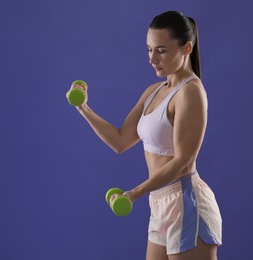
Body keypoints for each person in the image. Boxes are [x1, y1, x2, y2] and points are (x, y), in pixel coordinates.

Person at [69, 10, 222, 260]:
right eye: (149, 49)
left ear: (186, 49)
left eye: (161, 50)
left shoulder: (190, 92)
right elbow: (120, 141)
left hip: (186, 203)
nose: (153, 58)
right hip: (160, 203)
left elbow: (183, 161)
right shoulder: (153, 91)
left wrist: (134, 193)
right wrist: (83, 107)